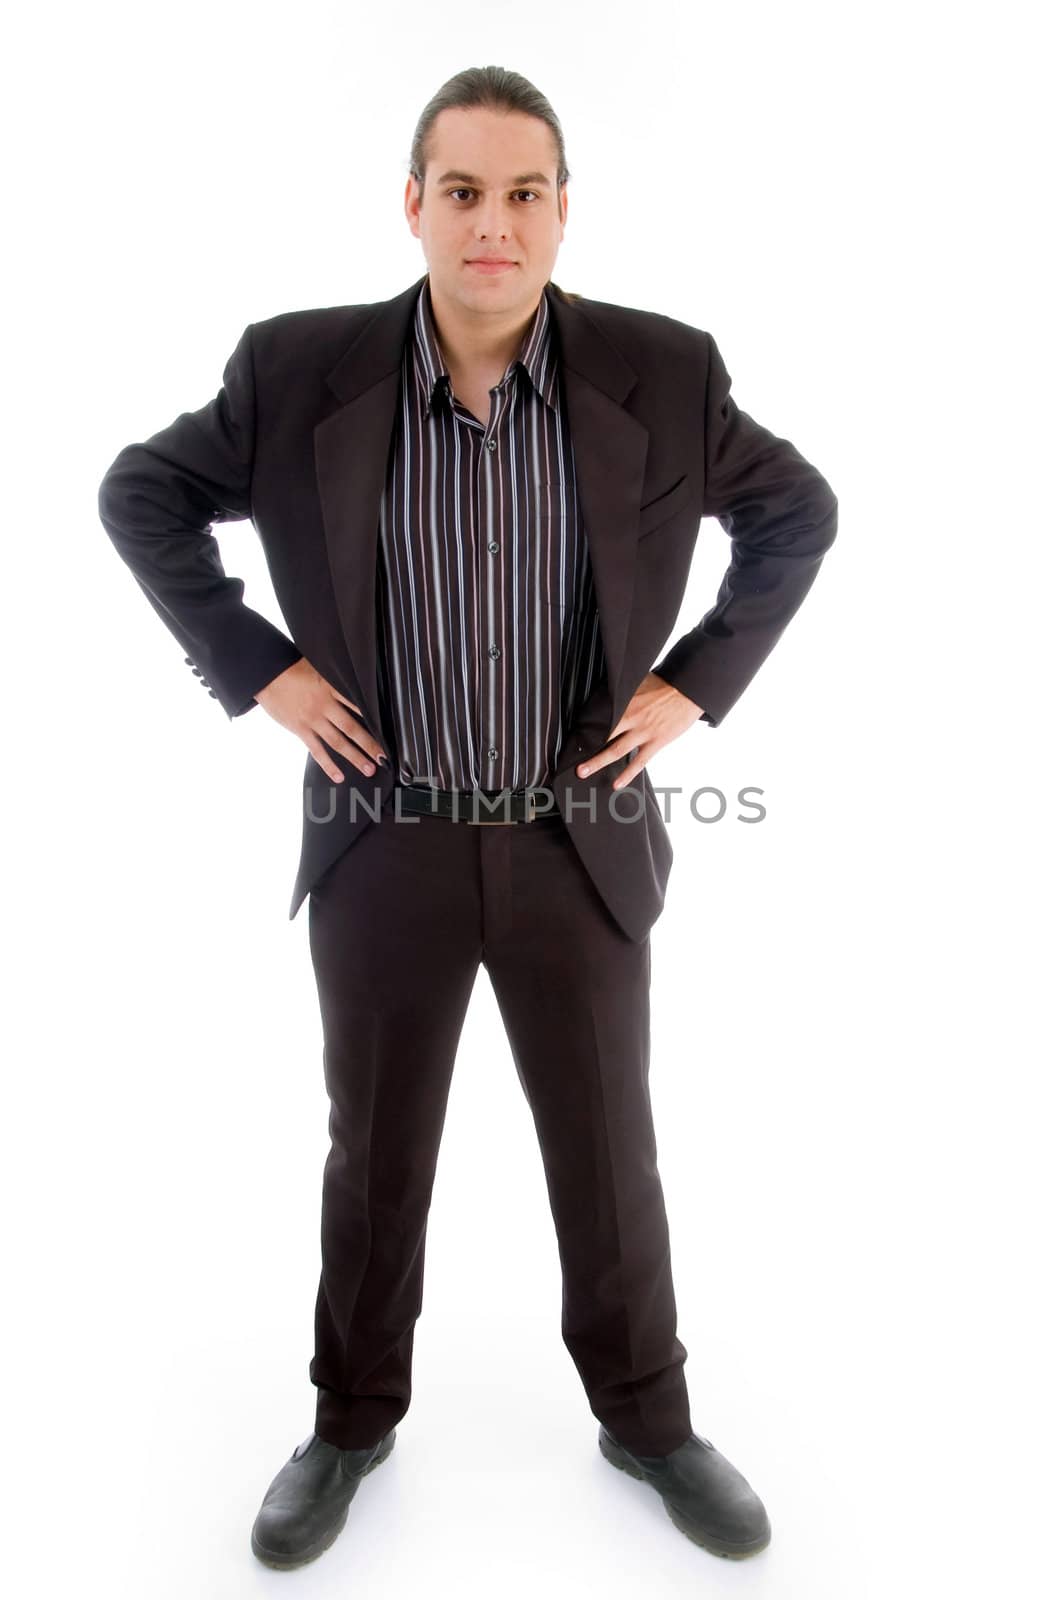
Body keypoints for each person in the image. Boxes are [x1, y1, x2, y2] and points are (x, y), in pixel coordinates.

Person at [97, 64, 838, 1570]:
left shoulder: (663, 372)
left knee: (608, 1150)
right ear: (414, 205)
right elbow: (140, 493)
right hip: (386, 837)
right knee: (373, 1150)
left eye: (522, 193)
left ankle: (649, 1418)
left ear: (564, 208)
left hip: (578, 837)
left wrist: (697, 686)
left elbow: (796, 510)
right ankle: (351, 1420)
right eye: (462, 192)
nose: (492, 224)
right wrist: (263, 673)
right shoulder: (297, 371)